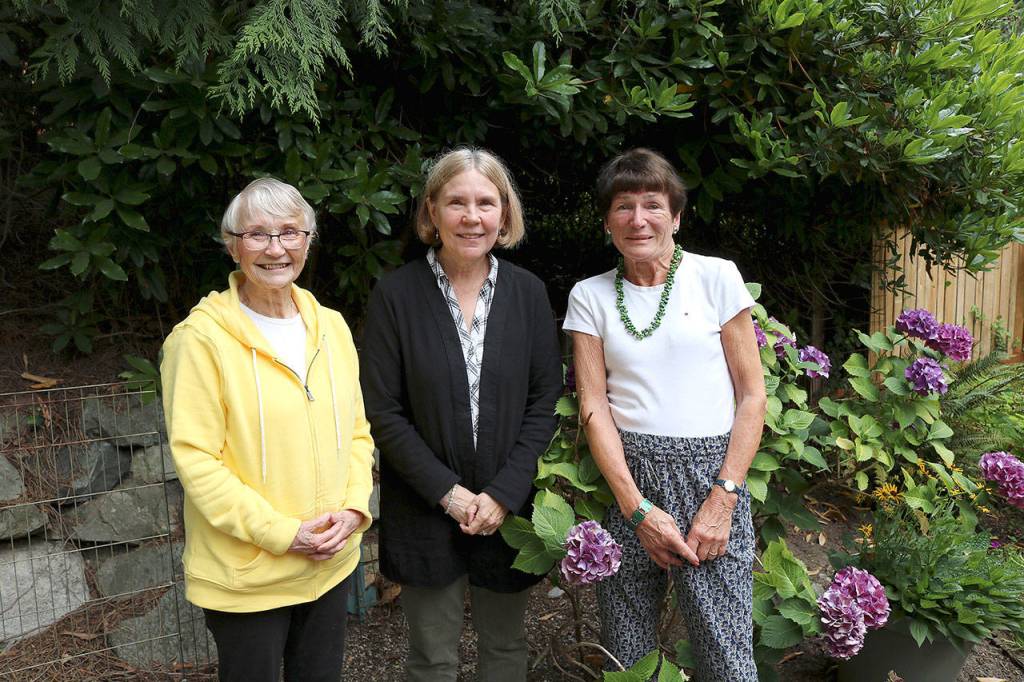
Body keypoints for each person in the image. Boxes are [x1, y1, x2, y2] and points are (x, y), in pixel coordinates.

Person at [359, 148, 562, 682]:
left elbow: (545, 401)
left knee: (506, 650)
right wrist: (449, 494)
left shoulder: (528, 294)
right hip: (426, 508)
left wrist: (502, 493)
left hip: (506, 506)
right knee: (431, 659)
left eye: (485, 203)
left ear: (504, 214)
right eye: (456, 202)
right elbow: (383, 410)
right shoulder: (394, 295)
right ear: (431, 212)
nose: (472, 217)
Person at [160, 178, 375, 682]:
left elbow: (358, 433)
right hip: (249, 577)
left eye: (289, 233)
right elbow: (198, 461)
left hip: (330, 565)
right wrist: (284, 534)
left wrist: (353, 508)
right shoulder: (198, 342)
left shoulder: (333, 327)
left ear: (308, 240)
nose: (275, 249)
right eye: (257, 235)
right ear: (233, 245)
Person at [563, 148, 766, 680]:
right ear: (607, 222)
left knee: (725, 652)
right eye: (623, 206)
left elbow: (752, 396)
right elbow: (593, 406)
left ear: (675, 216)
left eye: (652, 204)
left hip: (712, 480)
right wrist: (637, 511)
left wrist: (724, 497)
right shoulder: (590, 296)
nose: (638, 219)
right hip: (630, 482)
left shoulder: (717, 278)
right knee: (628, 651)